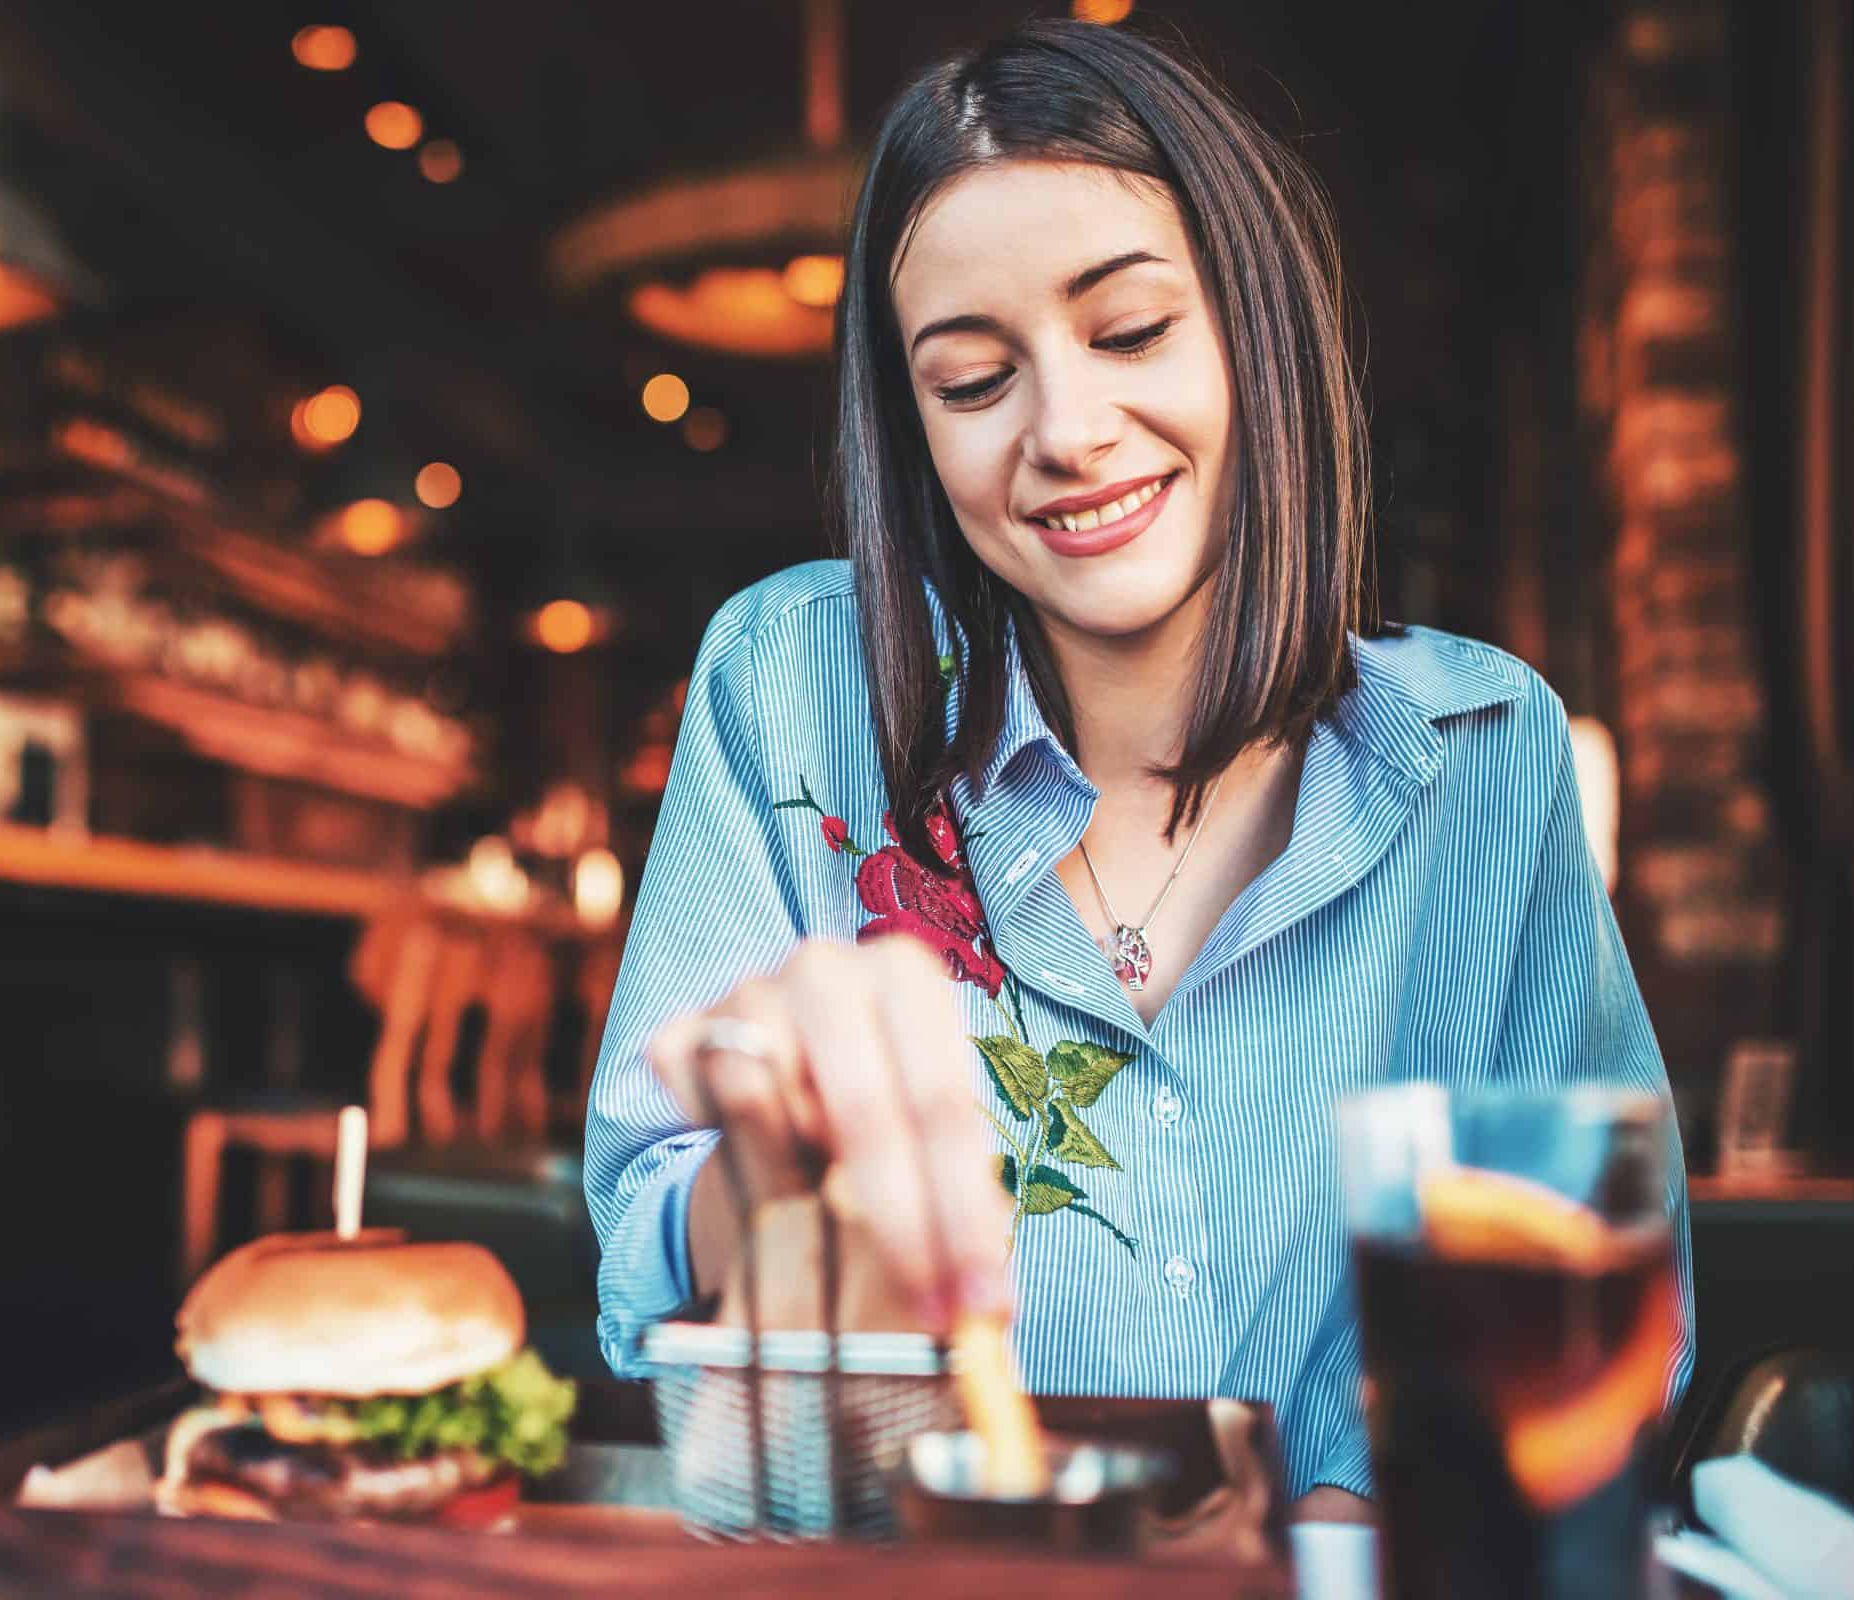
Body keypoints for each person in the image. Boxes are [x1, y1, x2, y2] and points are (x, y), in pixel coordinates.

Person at [581, 17, 1693, 1521]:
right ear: (912, 431)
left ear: (1256, 329)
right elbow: (648, 1250)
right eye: (974, 381)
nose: (1069, 431)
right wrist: (766, 1183)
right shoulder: (789, 690)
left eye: (1130, 332)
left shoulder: (1483, 757)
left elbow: (1586, 1307)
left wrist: (1341, 1526)